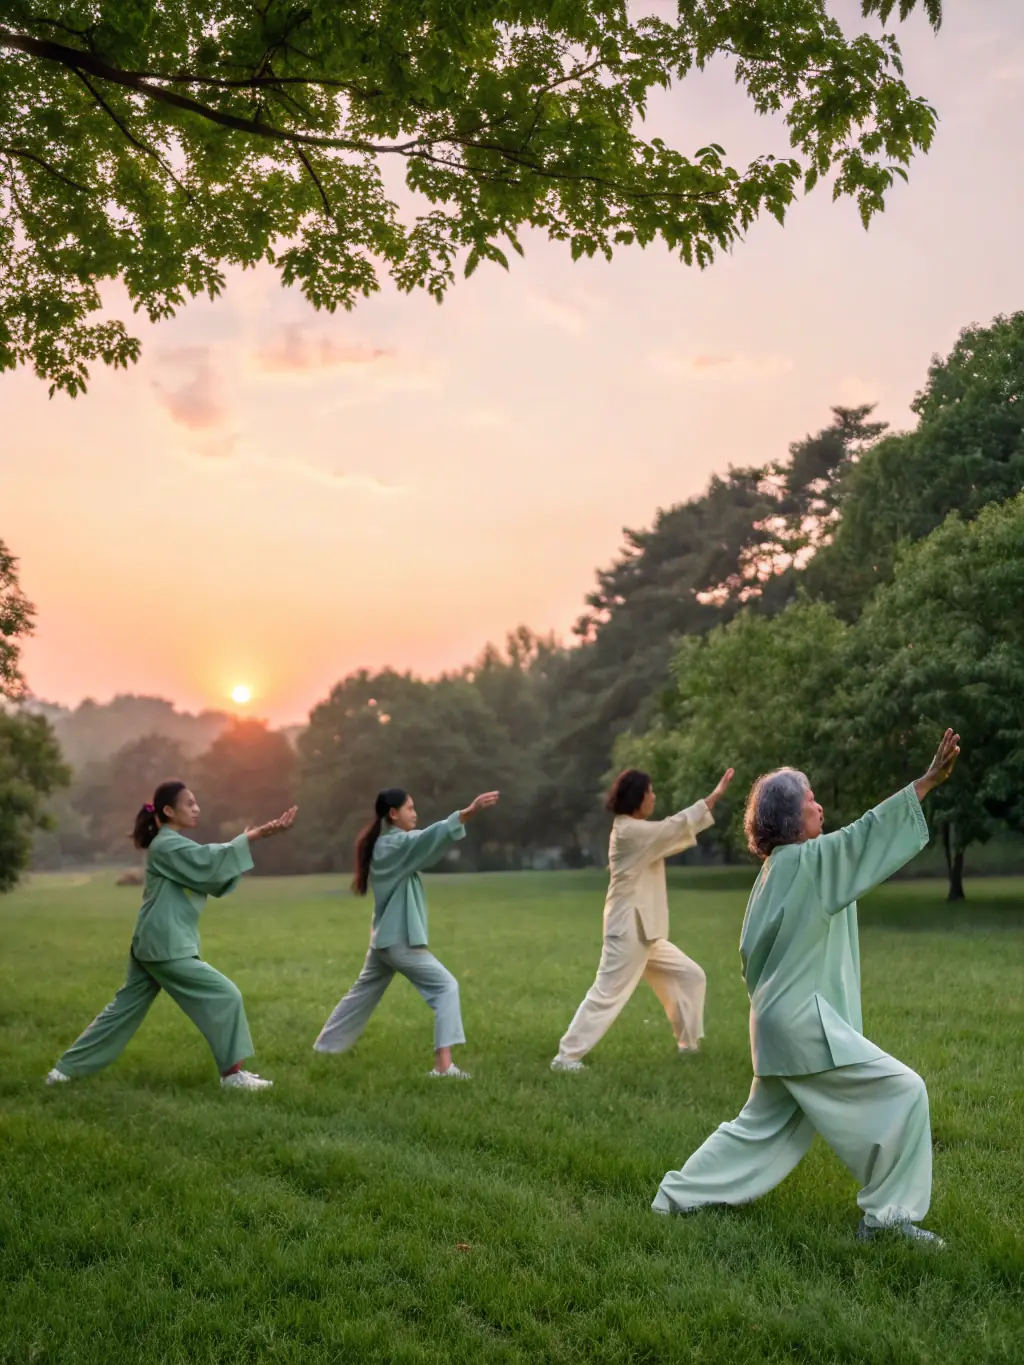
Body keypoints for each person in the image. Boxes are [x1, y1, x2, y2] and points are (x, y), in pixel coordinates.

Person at [652, 729, 961, 1247]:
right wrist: (926, 782)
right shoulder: (811, 864)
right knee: (906, 1092)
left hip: (775, 1026)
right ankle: (887, 1219)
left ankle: (676, 1196)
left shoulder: (773, 873)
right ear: (794, 819)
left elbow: (751, 959)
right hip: (802, 1025)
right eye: (811, 798)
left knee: (760, 1129)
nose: (819, 806)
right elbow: (867, 834)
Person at [47, 781, 298, 1091]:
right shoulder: (166, 844)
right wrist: (254, 836)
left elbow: (208, 875)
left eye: (196, 803)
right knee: (225, 995)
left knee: (122, 1011)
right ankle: (233, 1076)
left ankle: (62, 1072)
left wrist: (249, 840)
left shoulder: (171, 845)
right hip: (164, 945)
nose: (196, 809)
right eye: (189, 803)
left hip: (154, 942)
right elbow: (208, 862)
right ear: (168, 811)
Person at [551, 766, 735, 1072]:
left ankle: (688, 1046)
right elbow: (673, 828)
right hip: (627, 932)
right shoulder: (630, 832)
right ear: (637, 798)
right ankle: (566, 1057)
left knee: (690, 975)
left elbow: (669, 833)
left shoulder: (635, 830)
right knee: (607, 993)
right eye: (650, 792)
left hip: (643, 931)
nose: (654, 797)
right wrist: (713, 798)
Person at [313, 787, 499, 1077]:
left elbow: (422, 844)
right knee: (446, 987)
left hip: (384, 940)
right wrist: (468, 812)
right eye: (410, 808)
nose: (415, 813)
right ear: (393, 813)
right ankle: (443, 1066)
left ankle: (325, 1049)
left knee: (361, 993)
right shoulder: (392, 846)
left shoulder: (385, 844)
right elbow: (426, 839)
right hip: (398, 940)